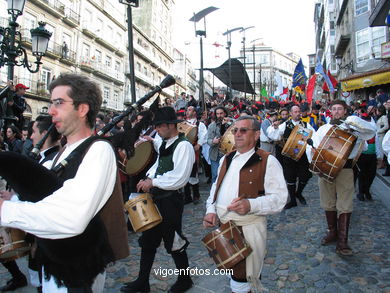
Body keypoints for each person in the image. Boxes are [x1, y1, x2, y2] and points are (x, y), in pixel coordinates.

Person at [0, 73, 129, 292]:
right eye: (52, 103)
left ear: (82, 109)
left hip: (79, 271)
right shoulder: (63, 152)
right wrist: (15, 197)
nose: (51, 111)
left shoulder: (99, 150)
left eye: (59, 103)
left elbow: (71, 218)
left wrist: (7, 210)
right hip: (55, 262)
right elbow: (49, 197)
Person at [203, 116, 288, 293]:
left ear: (256, 135)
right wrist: (211, 210)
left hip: (248, 229)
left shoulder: (268, 161)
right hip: (224, 227)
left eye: (243, 130)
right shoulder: (226, 158)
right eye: (235, 130)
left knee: (243, 279)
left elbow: (280, 199)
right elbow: (215, 188)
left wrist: (251, 205)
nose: (238, 134)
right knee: (233, 274)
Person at [121, 107, 195, 293]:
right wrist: (151, 141)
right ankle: (142, 281)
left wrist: (153, 181)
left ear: (171, 125)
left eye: (160, 126)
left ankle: (185, 280)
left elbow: (180, 177)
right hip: (156, 198)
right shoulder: (164, 141)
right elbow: (161, 159)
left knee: (174, 239)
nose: (158, 129)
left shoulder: (184, 146)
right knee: (148, 239)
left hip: (171, 200)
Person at [307, 100, 376, 256]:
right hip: (325, 167)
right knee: (328, 202)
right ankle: (332, 233)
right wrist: (314, 159)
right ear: (330, 111)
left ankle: (343, 241)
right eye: (334, 109)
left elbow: (364, 145)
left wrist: (356, 130)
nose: (337, 112)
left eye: (340, 109)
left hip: (345, 169)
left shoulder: (353, 129)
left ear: (345, 111)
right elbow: (313, 148)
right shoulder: (323, 129)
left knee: (345, 204)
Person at [268, 105, 316, 209]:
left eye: (299, 111)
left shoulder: (306, 125)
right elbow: (274, 136)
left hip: (302, 155)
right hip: (289, 155)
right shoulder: (285, 125)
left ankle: (299, 193)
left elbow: (314, 136)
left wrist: (312, 145)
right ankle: (293, 200)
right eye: (295, 111)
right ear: (291, 113)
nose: (298, 113)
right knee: (290, 177)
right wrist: (275, 127)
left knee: (305, 176)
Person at [184, 106, 207, 204]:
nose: (187, 112)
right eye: (187, 110)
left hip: (193, 149)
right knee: (184, 172)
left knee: (193, 172)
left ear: (194, 112)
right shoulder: (183, 123)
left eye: (189, 110)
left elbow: (204, 135)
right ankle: (187, 196)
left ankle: (196, 195)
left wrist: (199, 144)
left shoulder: (199, 124)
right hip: (184, 150)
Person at [206, 106, 231, 183]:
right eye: (217, 114)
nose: (219, 115)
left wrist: (228, 124)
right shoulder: (211, 126)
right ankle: (214, 194)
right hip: (215, 154)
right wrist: (213, 141)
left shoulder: (231, 123)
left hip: (228, 154)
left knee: (228, 176)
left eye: (221, 113)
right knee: (215, 176)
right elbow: (208, 140)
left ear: (225, 113)